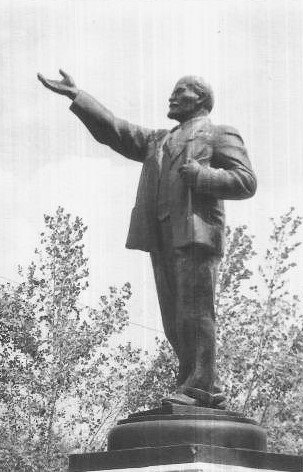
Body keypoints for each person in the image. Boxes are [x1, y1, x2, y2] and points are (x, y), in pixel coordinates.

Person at [37, 70, 256, 408]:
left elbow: (245, 181)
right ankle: (193, 384)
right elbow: (116, 130)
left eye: (180, 91)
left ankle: (201, 385)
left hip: (196, 235)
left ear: (200, 98)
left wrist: (202, 175)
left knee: (196, 313)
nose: (172, 96)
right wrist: (77, 95)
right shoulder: (159, 140)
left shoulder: (218, 134)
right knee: (175, 319)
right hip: (162, 236)